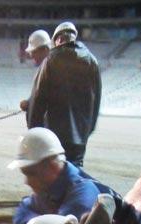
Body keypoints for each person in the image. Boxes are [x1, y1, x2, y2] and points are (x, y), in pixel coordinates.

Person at [27, 21, 101, 168]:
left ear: (57, 39)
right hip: (80, 139)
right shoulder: (92, 61)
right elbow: (96, 101)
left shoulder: (51, 60)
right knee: (74, 175)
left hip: (54, 138)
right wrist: (86, 132)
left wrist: (35, 133)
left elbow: (38, 102)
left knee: (53, 176)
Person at [19, 30, 51, 115]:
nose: (31, 56)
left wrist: (30, 103)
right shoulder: (44, 69)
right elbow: (39, 93)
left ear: (45, 49)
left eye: (34, 52)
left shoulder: (54, 70)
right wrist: (29, 102)